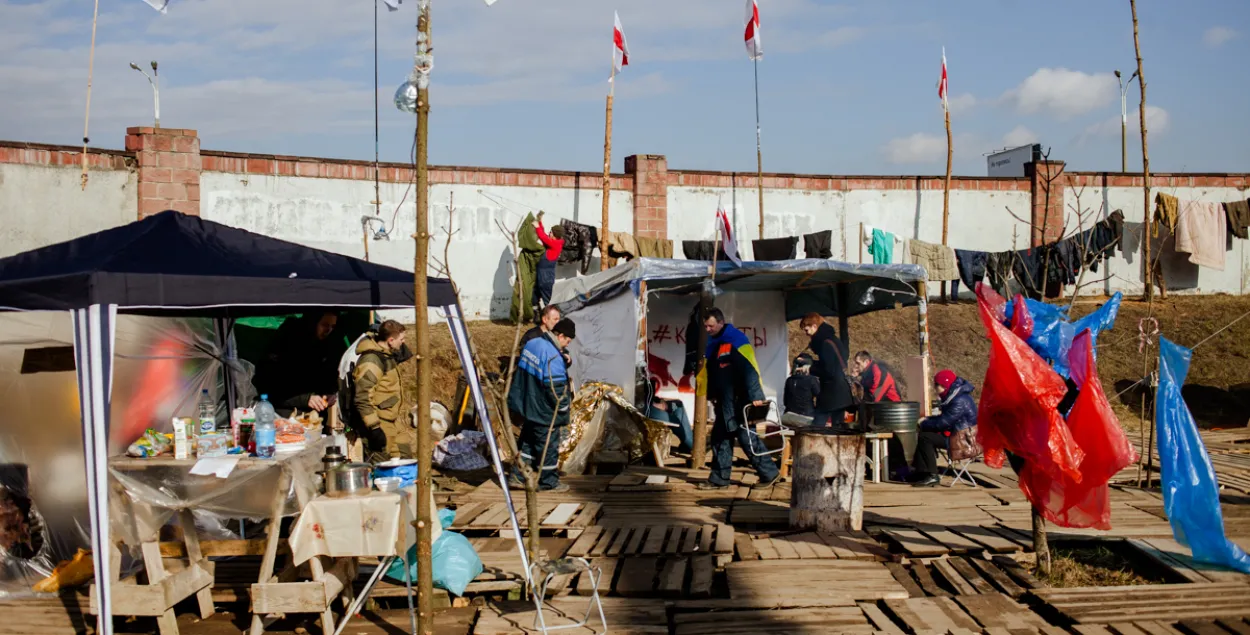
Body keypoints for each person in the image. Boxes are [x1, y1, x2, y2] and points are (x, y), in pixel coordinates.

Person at [697, 308, 780, 490]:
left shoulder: (736, 340)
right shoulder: (714, 343)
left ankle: (769, 473)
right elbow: (713, 372)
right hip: (724, 401)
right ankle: (719, 479)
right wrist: (712, 395)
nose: (708, 330)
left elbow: (750, 370)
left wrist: (756, 396)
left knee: (746, 438)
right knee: (720, 437)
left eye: (710, 326)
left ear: (720, 322)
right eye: (705, 327)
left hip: (740, 400)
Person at [508, 318, 576, 493]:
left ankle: (517, 475)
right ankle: (549, 482)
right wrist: (563, 409)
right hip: (544, 410)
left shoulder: (533, 343)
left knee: (528, 441)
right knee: (548, 446)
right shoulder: (553, 356)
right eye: (567, 341)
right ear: (560, 336)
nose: (566, 345)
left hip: (528, 404)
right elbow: (556, 389)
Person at [254, 311, 346, 418]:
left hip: (314, 418)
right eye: (325, 325)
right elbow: (270, 385)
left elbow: (328, 377)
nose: (328, 330)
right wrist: (305, 399)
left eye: (332, 326)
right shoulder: (286, 342)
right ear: (313, 322)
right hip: (283, 416)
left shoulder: (328, 346)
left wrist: (329, 394)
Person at [353, 320, 410, 461]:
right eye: (401, 339)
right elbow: (363, 397)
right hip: (381, 422)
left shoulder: (387, 354)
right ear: (390, 340)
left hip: (394, 420)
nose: (404, 342)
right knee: (387, 465)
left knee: (406, 459)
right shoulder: (372, 361)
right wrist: (374, 428)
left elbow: (406, 354)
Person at [910, 370, 978, 487]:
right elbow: (945, 419)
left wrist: (923, 424)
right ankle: (922, 472)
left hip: (964, 441)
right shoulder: (955, 396)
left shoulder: (959, 400)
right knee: (925, 434)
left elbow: (943, 423)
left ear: (945, 385)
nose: (934, 387)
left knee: (925, 438)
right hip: (958, 434)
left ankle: (931, 475)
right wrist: (927, 420)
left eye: (936, 384)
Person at [799, 313, 854, 427]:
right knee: (838, 429)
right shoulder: (832, 339)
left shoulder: (825, 344)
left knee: (817, 426)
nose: (806, 333)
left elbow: (829, 370)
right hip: (841, 393)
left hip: (831, 394)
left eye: (807, 330)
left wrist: (811, 368)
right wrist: (812, 364)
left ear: (814, 326)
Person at [532, 212, 565, 314]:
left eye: (551, 232)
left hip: (546, 277)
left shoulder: (555, 244)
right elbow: (545, 236)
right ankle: (537, 314)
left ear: (555, 235)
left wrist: (537, 226)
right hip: (541, 275)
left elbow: (543, 237)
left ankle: (556, 320)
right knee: (534, 296)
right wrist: (540, 222)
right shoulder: (553, 242)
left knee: (548, 301)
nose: (549, 233)